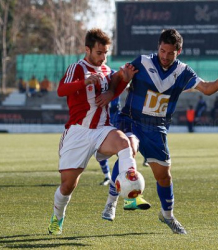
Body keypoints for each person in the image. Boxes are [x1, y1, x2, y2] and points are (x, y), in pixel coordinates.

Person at [101, 29, 218, 234]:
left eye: (170, 53)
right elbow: (119, 76)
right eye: (162, 51)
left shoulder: (183, 72)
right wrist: (114, 90)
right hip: (132, 120)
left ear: (178, 51)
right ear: (158, 47)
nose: (165, 56)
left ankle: (167, 216)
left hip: (156, 129)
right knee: (128, 149)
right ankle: (111, 202)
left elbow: (206, 88)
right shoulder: (143, 62)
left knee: (164, 177)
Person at [47, 28, 150, 236]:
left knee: (125, 143)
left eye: (105, 53)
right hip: (78, 132)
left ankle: (131, 195)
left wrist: (124, 81)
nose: (103, 57)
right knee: (68, 186)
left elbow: (112, 92)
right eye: (99, 53)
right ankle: (57, 218)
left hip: (102, 129)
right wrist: (83, 82)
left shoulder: (106, 71)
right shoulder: (77, 68)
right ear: (88, 49)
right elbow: (60, 90)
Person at [98, 96, 121, 186]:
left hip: (116, 118)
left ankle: (125, 176)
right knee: (99, 148)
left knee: (122, 149)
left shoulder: (116, 82)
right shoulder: (100, 83)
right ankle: (107, 176)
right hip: (101, 119)